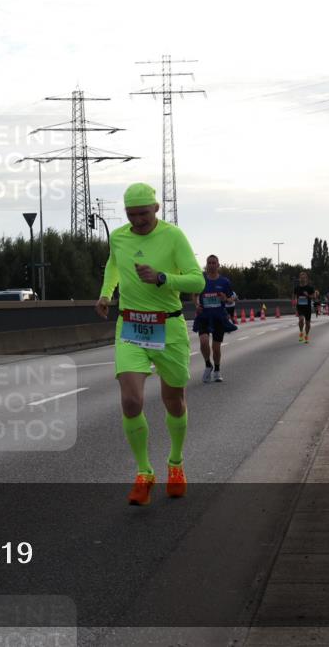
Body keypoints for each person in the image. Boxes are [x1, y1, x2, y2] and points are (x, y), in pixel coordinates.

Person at [96, 183, 204, 506]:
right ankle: (144, 472)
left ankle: (175, 463)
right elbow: (113, 264)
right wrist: (106, 293)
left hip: (168, 327)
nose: (138, 220)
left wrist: (162, 278)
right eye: (132, 214)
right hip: (130, 324)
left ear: (156, 208)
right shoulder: (118, 237)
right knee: (131, 400)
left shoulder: (173, 237)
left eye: (143, 213)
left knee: (174, 401)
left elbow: (197, 280)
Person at [192, 255, 236, 383]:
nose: (211, 265)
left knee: (216, 348)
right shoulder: (201, 280)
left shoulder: (224, 282)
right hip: (204, 317)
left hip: (218, 317)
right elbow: (194, 295)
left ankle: (217, 370)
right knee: (204, 341)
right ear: (206, 265)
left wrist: (226, 299)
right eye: (209, 263)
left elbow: (232, 298)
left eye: (213, 263)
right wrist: (197, 305)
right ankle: (208, 365)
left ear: (218, 265)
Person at [293, 271, 318, 344]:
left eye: (304, 278)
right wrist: (294, 304)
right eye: (301, 278)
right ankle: (301, 332)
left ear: (306, 279)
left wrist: (308, 295)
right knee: (301, 320)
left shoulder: (310, 288)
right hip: (300, 307)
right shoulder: (296, 288)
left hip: (307, 307)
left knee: (307, 323)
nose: (302, 279)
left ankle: (306, 335)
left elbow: (314, 297)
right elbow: (294, 297)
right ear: (299, 279)